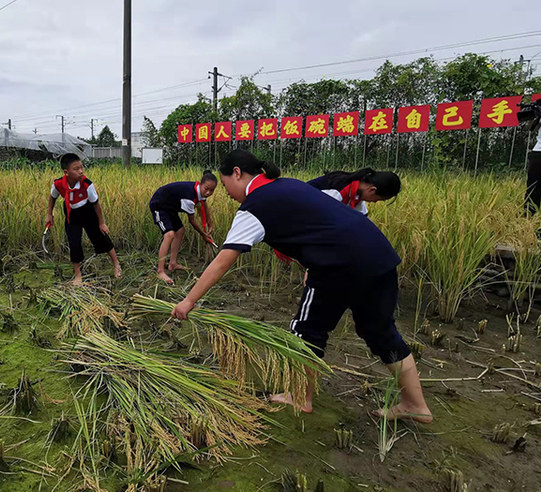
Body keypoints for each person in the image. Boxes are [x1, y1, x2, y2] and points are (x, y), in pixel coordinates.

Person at [171, 149, 432, 424]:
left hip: (337, 266)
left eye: (225, 185)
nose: (227, 193)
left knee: (307, 330)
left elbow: (224, 260)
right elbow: (322, 225)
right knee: (380, 330)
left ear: (237, 173)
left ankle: (300, 396)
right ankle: (415, 404)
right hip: (379, 257)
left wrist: (188, 301)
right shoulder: (290, 184)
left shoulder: (255, 206)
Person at [44, 153, 121, 285]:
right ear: (66, 172)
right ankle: (78, 274)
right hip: (71, 213)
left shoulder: (86, 184)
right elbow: (53, 197)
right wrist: (49, 214)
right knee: (74, 242)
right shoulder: (58, 184)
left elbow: (96, 204)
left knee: (100, 237)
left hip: (88, 211)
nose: (81, 171)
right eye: (76, 169)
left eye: (81, 167)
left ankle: (116, 264)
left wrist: (101, 223)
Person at [149, 171, 217, 284]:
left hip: (171, 207)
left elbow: (204, 205)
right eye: (206, 189)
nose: (208, 193)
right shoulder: (189, 198)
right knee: (169, 234)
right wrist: (203, 235)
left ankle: (172, 263)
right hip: (159, 205)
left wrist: (210, 223)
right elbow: (192, 221)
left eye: (212, 190)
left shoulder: (199, 191)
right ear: (200, 184)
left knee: (180, 231)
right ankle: (160, 271)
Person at [307, 169, 401, 216]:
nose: (375, 201)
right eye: (378, 199)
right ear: (372, 190)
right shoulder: (337, 191)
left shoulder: (357, 194)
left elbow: (362, 221)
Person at [525, 118, 541, 216]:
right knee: (533, 188)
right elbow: (531, 128)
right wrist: (533, 116)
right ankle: (529, 218)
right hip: (539, 151)